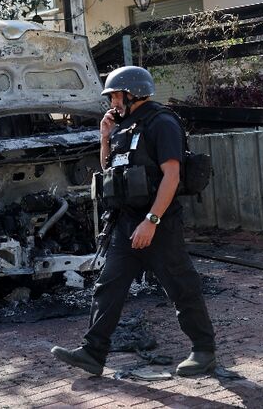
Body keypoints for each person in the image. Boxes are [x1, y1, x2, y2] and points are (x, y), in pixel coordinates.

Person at [51, 65, 216, 377]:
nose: (111, 101)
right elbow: (109, 171)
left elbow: (172, 176)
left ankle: (204, 350)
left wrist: (152, 221)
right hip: (126, 222)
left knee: (181, 287)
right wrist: (104, 138)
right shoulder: (124, 128)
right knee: (108, 286)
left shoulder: (162, 123)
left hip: (159, 223)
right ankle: (93, 352)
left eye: (114, 94)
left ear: (131, 93)